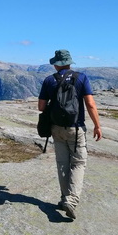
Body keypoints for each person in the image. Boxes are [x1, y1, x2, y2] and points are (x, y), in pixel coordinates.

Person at [38, 49, 102, 220]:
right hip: (76, 128)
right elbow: (90, 104)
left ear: (55, 64)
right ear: (70, 62)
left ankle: (64, 198)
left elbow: (41, 107)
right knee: (79, 163)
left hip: (56, 128)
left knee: (62, 163)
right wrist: (97, 125)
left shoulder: (49, 80)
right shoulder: (81, 78)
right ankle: (71, 201)